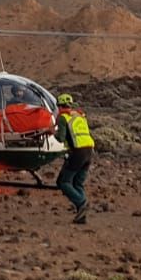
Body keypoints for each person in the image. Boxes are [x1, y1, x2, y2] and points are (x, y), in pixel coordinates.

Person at [54, 92, 95, 224]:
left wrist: (52, 132)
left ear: (59, 106)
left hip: (77, 153)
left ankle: (82, 203)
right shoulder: (80, 115)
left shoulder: (63, 118)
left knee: (63, 182)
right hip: (89, 151)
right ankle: (81, 215)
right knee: (77, 183)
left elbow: (60, 137)